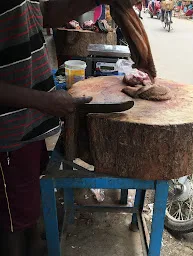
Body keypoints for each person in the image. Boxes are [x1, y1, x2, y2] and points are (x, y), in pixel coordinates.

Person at [0, 0, 115, 255]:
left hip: (28, 126)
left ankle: (34, 244)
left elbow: (42, 13)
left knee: (25, 207)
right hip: (7, 136)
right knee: (10, 224)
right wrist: (44, 100)